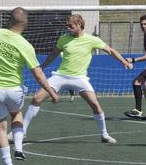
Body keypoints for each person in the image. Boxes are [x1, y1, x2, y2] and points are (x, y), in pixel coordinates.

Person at [9, 14, 132, 144]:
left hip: (80, 78)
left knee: (95, 105)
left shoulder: (92, 40)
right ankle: (22, 132)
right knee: (36, 98)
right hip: (60, 76)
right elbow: (54, 53)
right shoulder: (63, 38)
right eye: (67, 26)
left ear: (79, 24)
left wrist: (124, 62)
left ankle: (104, 135)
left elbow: (110, 51)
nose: (68, 28)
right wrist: (43, 66)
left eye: (71, 26)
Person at [0, 7, 58, 165]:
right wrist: (50, 91)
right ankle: (18, 148)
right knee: (17, 115)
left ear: (9, 19)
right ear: (26, 23)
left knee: (0, 129)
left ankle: (7, 163)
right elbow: (38, 74)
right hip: (14, 90)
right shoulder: (26, 45)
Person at [124, 14, 146, 118]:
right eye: (141, 24)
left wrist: (133, 60)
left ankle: (139, 110)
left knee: (137, 82)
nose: (144, 26)